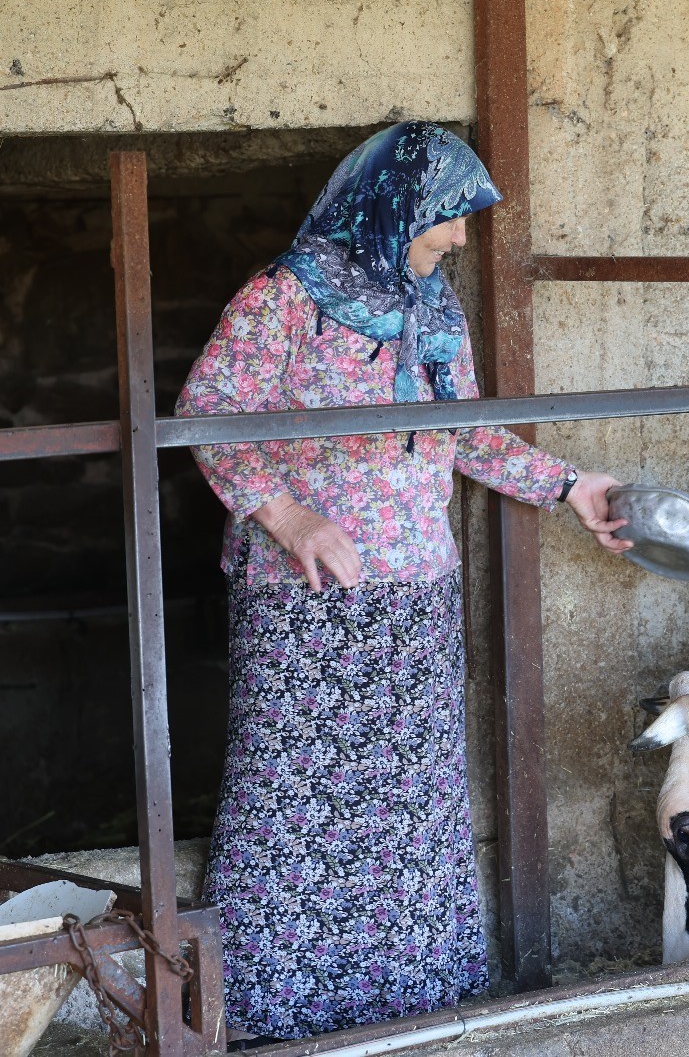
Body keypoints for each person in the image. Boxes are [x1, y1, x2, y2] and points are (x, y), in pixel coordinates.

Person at [176, 121, 629, 1042]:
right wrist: (288, 515)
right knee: (294, 806)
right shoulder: (283, 297)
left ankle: (409, 1013)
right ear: (392, 204)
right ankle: (272, 1014)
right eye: (448, 217)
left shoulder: (435, 306)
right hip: (306, 603)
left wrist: (568, 486)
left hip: (417, 597)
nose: (460, 237)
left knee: (413, 806)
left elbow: (463, 433)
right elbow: (205, 414)